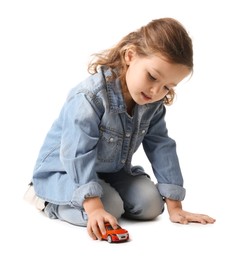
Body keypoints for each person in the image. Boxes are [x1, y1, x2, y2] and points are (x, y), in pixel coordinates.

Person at [24, 17, 215, 241]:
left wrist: (175, 205)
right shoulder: (89, 97)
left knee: (151, 205)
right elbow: (77, 153)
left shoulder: (152, 104)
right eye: (152, 76)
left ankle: (106, 196)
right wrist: (94, 207)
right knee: (110, 207)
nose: (155, 91)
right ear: (130, 56)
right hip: (66, 171)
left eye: (167, 87)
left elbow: (161, 145)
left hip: (110, 171)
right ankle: (47, 200)